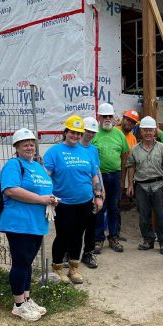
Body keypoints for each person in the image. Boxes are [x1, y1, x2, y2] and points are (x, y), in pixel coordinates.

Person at [0, 127, 58, 321]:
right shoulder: (14, 165)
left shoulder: (37, 167)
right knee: (20, 262)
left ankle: (26, 298)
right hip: (19, 222)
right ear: (16, 147)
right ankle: (18, 305)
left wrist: (51, 199)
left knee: (27, 262)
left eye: (32, 143)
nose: (30, 146)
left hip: (36, 222)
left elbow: (44, 189)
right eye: (25, 144)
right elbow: (11, 190)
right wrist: (42, 200)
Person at [44, 116, 103, 285]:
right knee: (63, 235)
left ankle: (73, 268)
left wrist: (98, 196)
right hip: (63, 203)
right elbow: (45, 177)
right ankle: (57, 269)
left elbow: (94, 177)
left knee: (78, 235)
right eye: (72, 132)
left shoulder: (86, 152)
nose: (75, 136)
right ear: (65, 132)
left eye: (78, 133)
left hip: (84, 202)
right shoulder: (54, 152)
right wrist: (47, 197)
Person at [126, 116, 163, 254]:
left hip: (158, 184)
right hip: (141, 185)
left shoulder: (162, 148)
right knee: (143, 215)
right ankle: (148, 240)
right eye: (145, 130)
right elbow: (131, 167)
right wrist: (129, 185)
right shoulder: (135, 149)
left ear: (155, 132)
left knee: (161, 214)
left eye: (150, 130)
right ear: (141, 132)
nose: (148, 133)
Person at [93, 103, 130, 253]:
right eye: (104, 116)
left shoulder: (119, 134)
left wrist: (122, 180)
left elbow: (125, 156)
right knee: (99, 207)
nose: (108, 119)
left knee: (114, 208)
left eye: (110, 116)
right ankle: (98, 239)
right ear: (99, 117)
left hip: (115, 176)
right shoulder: (93, 134)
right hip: (98, 178)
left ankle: (114, 237)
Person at [79, 116, 104, 269]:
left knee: (91, 224)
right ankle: (69, 252)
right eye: (88, 131)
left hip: (92, 193)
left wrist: (101, 192)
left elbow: (97, 171)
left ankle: (88, 253)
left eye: (93, 132)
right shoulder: (74, 147)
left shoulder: (93, 149)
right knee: (75, 225)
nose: (90, 134)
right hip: (77, 194)